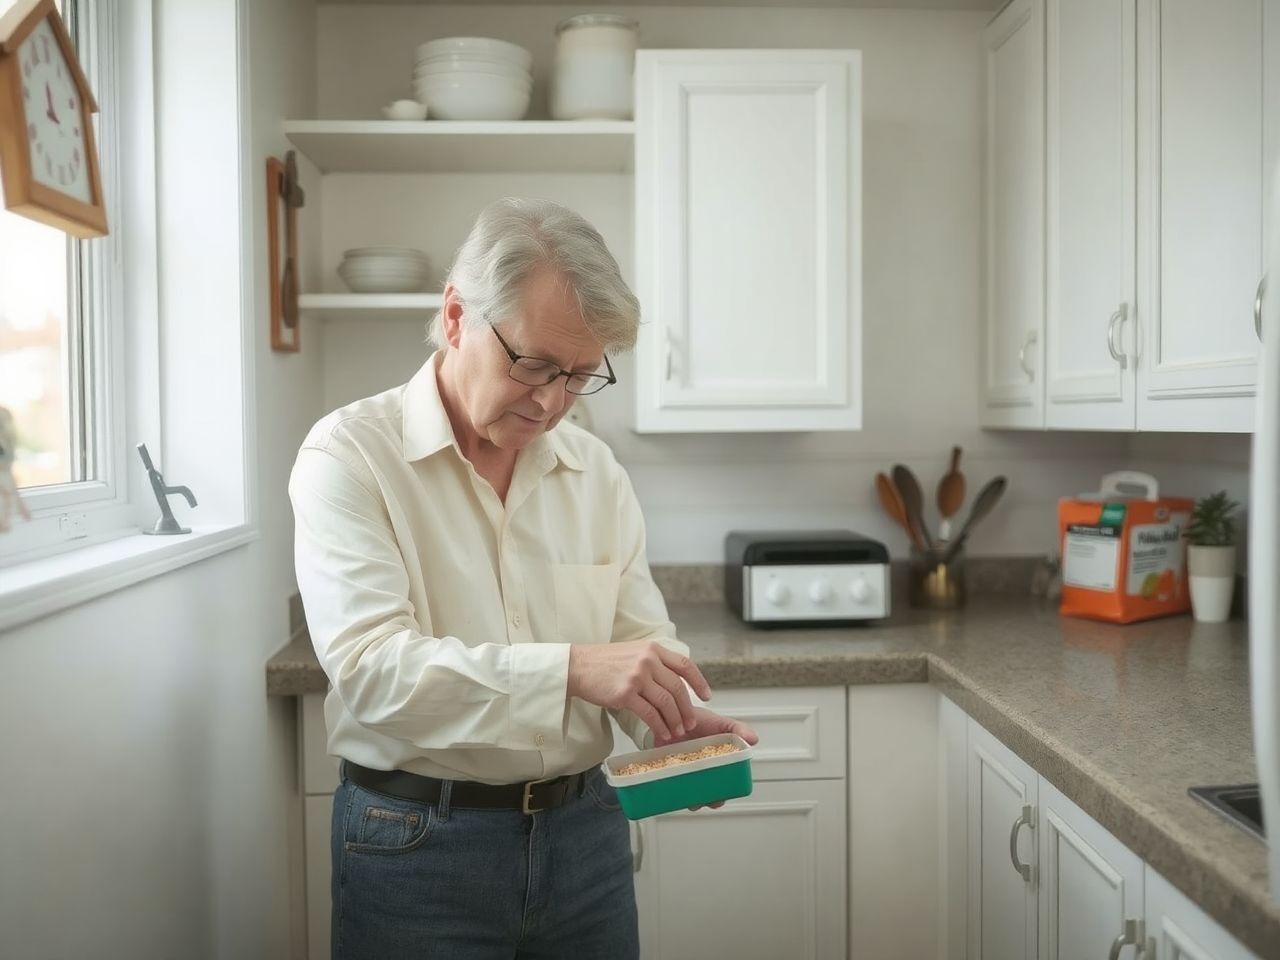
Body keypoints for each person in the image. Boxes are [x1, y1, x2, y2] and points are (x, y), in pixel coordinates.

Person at [289, 197, 758, 959]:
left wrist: (671, 726)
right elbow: (372, 672)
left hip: (588, 840)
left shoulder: (594, 468)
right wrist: (573, 669)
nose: (551, 402)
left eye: (578, 376)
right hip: (415, 849)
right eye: (533, 364)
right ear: (454, 316)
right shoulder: (348, 457)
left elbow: (635, 640)